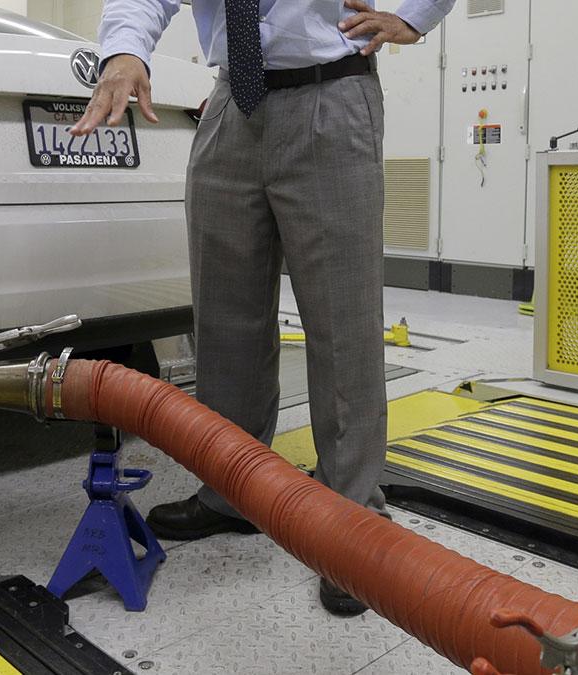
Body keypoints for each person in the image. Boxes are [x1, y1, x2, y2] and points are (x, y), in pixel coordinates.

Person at [69, 0, 455, 616]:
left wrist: (417, 14)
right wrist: (124, 49)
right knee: (225, 322)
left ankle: (352, 518)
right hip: (230, 108)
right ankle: (232, 492)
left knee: (341, 322)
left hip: (330, 98)